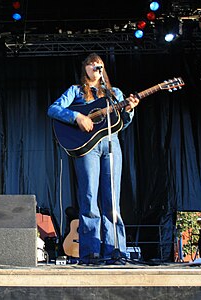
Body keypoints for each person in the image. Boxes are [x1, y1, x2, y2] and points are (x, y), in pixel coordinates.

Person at [47, 53, 139, 264]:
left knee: (112, 200)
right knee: (89, 198)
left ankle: (115, 251)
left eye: (99, 64)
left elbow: (121, 123)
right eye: (91, 64)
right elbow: (53, 109)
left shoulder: (114, 93)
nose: (95, 67)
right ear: (85, 68)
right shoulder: (76, 91)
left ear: (103, 68)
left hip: (111, 145)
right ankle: (89, 253)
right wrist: (77, 117)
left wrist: (129, 111)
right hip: (88, 148)